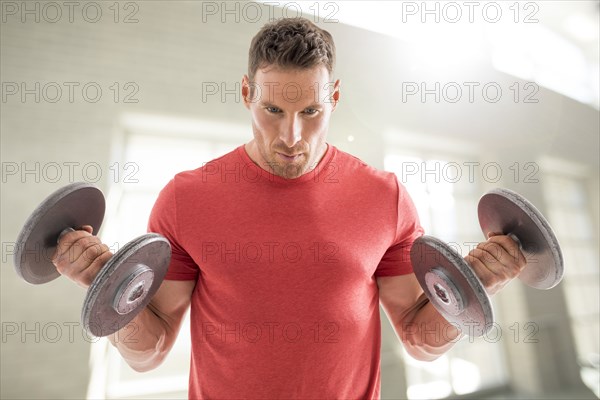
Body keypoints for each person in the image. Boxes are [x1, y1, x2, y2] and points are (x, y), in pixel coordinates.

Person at [53, 17, 525, 399]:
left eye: (311, 112)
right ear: (246, 94)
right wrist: (106, 286)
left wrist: (478, 285)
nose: (291, 137)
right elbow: (149, 353)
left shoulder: (385, 198)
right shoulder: (186, 199)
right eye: (273, 111)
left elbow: (420, 342)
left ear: (334, 98)